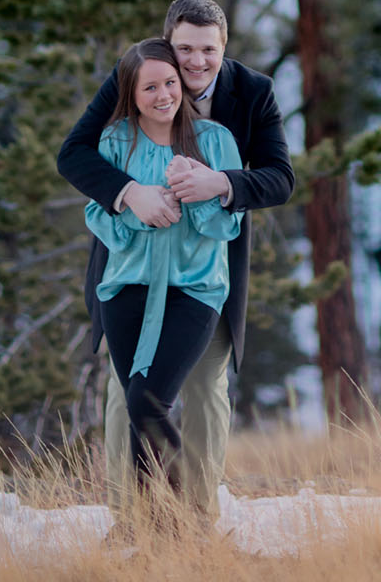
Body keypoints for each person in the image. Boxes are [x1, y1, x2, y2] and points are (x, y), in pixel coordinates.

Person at [57, 0, 293, 523]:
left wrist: (221, 183)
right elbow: (74, 154)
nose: (194, 62)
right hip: (132, 264)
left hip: (205, 271)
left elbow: (280, 179)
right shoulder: (141, 76)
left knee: (207, 385)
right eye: (184, 47)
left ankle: (198, 516)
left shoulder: (252, 94)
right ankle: (129, 520)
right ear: (168, 42)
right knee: (127, 388)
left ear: (223, 48)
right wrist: (127, 193)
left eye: (207, 49)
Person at [84, 36, 245, 514]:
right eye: (149, 87)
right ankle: (142, 527)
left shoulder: (216, 140)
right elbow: (98, 218)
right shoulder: (114, 141)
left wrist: (195, 193)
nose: (163, 95)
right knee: (137, 407)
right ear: (132, 94)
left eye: (170, 83)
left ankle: (184, 520)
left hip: (195, 292)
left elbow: (226, 225)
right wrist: (139, 206)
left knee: (150, 402)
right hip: (126, 290)